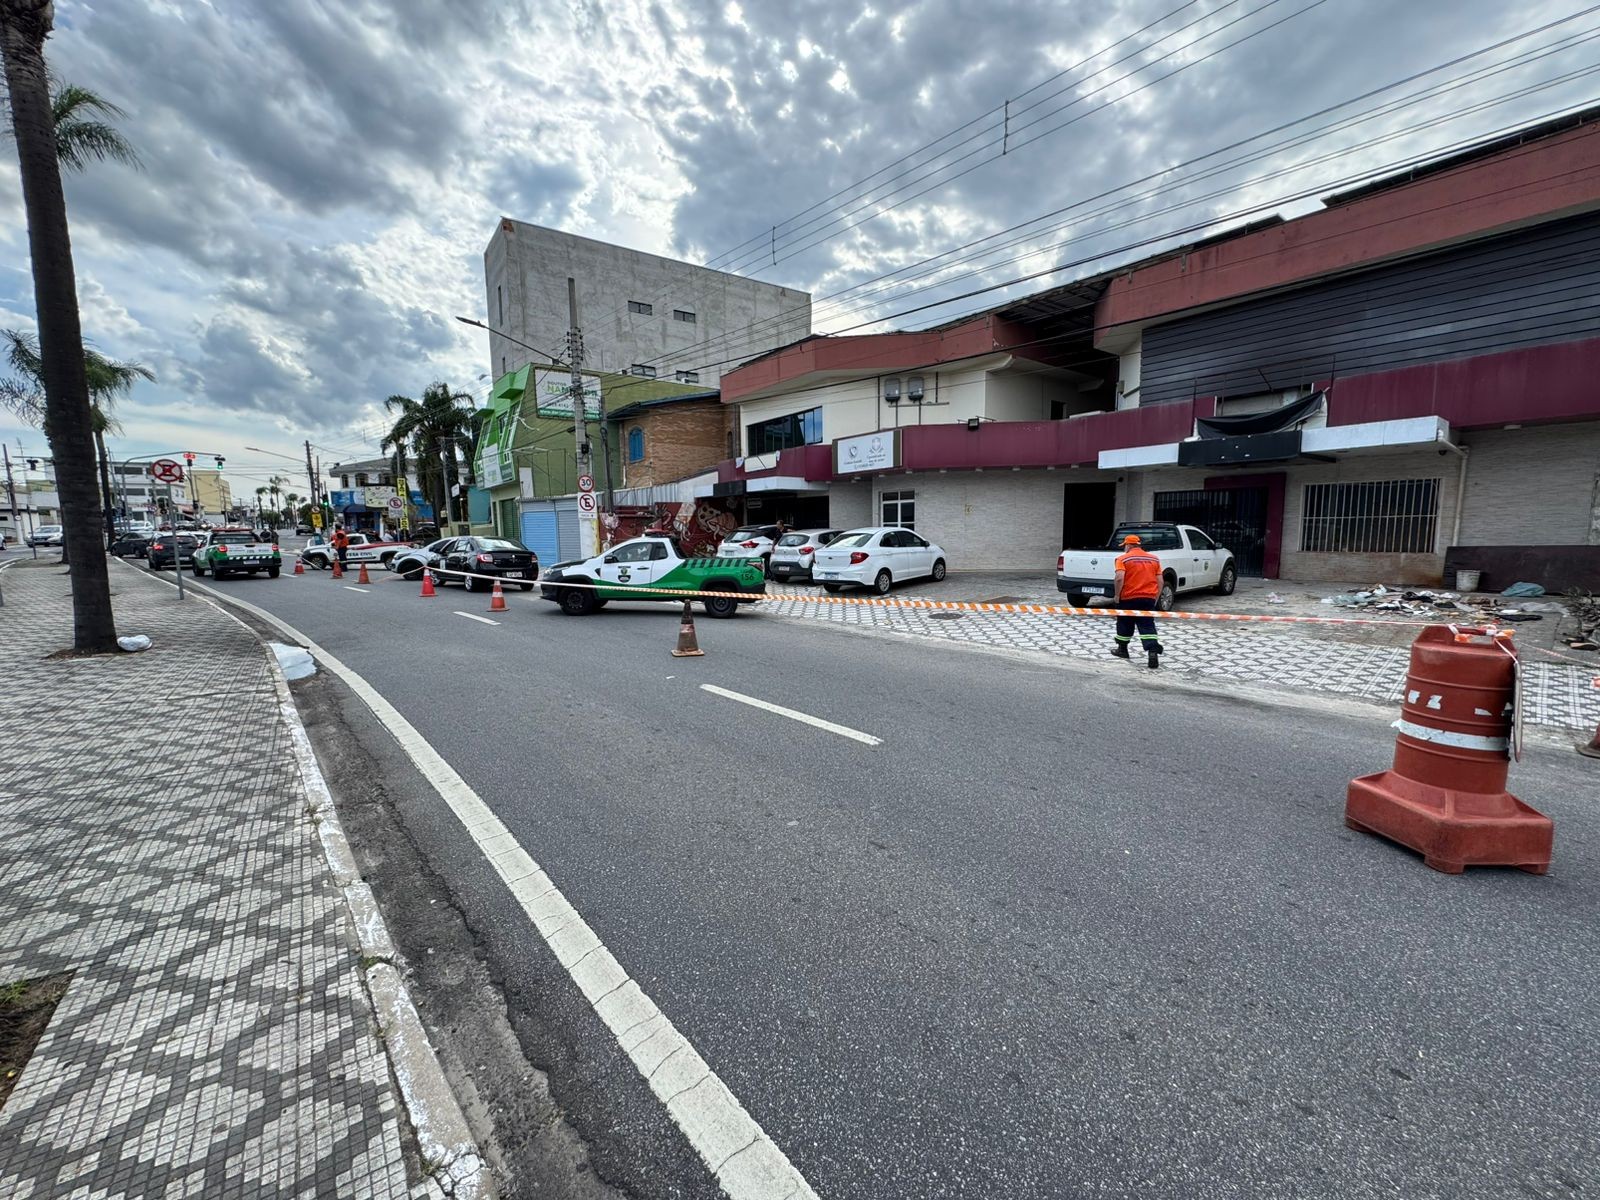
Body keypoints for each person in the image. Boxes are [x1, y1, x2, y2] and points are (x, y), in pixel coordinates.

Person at [1111, 533, 1164, 669]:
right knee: (1147, 625)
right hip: (1147, 598)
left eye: (1124, 546)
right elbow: (1160, 581)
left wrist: (1117, 595)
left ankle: (1122, 650)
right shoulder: (1154, 559)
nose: (1124, 548)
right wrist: (1155, 597)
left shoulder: (1123, 559)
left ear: (1128, 545)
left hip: (1128, 598)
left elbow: (1119, 578)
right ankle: (1152, 651)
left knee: (1124, 623)